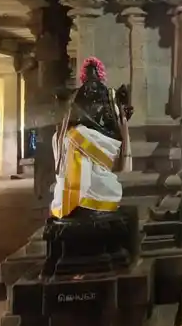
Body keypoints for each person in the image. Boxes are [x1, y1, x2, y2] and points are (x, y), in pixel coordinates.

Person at [50, 57, 132, 219]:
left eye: (93, 73)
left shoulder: (110, 95)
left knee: (73, 138)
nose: (91, 82)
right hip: (85, 141)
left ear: (99, 75)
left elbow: (117, 121)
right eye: (89, 74)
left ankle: (85, 198)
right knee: (71, 140)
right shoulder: (77, 95)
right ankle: (79, 199)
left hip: (104, 141)